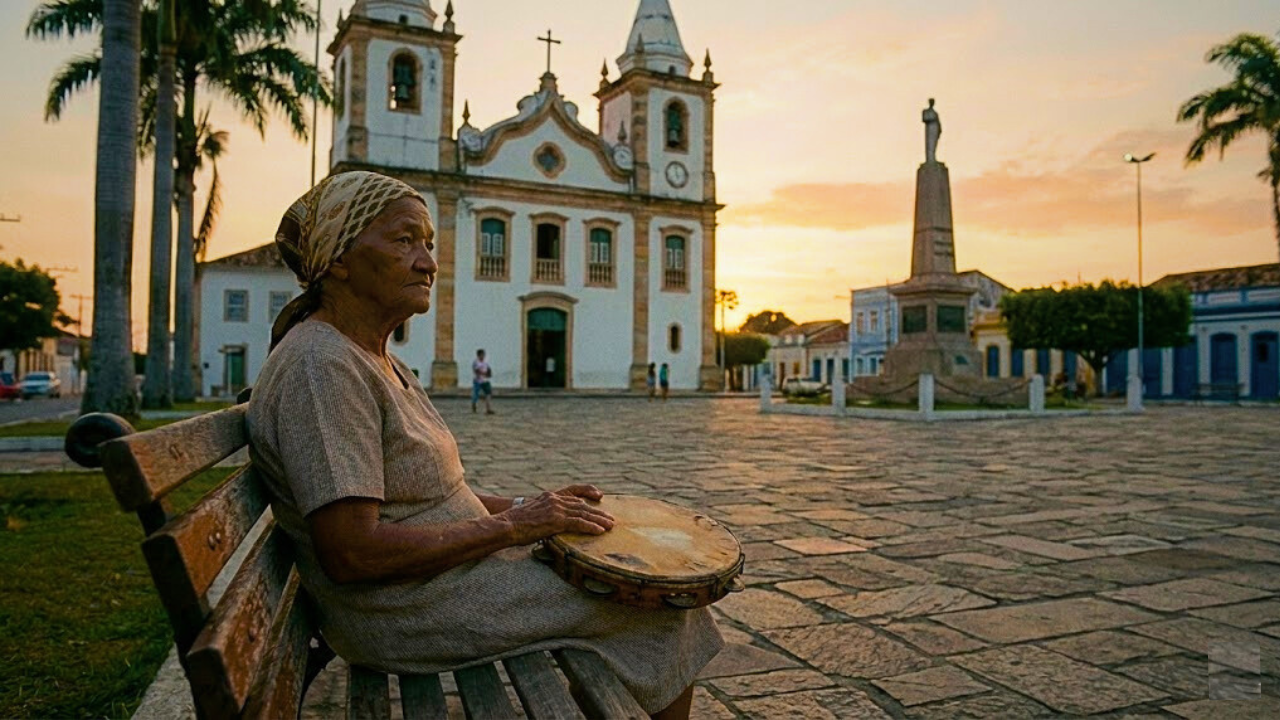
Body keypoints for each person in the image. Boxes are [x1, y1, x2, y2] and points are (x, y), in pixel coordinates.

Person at [246, 171, 721, 719]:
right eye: (404, 242)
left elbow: (430, 499)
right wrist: (512, 528)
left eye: (428, 242)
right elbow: (352, 553)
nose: (428, 262)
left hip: (435, 583)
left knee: (646, 585)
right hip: (404, 610)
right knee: (663, 607)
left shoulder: (368, 356)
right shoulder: (323, 367)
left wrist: (534, 509)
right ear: (338, 259)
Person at [472, 349, 494, 415]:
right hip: (478, 381)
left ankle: (488, 409)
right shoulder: (476, 362)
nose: (483, 356)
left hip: (485, 381)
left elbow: (489, 369)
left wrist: (489, 374)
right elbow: (476, 371)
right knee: (476, 395)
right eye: (482, 355)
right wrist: (483, 373)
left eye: (484, 355)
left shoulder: (485, 362)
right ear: (478, 355)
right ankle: (474, 405)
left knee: (488, 394)